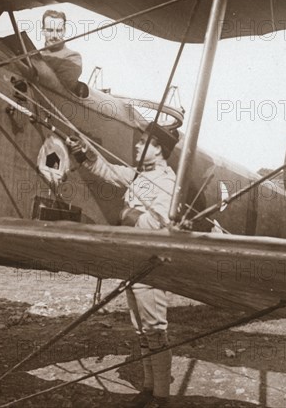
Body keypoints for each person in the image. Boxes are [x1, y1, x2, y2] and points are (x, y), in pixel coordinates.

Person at [67, 122, 179, 408]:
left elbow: (160, 224)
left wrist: (128, 215)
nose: (137, 146)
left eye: (144, 143)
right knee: (141, 331)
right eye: (139, 141)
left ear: (159, 149)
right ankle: (148, 387)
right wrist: (83, 152)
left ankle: (162, 397)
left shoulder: (167, 182)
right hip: (133, 260)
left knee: (155, 329)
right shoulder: (141, 175)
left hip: (151, 263)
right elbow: (108, 170)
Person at [40, 9, 82, 91]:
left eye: (58, 31)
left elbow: (59, 89)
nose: (54, 35)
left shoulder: (73, 57)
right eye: (50, 30)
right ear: (43, 31)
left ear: (64, 31)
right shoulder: (34, 56)